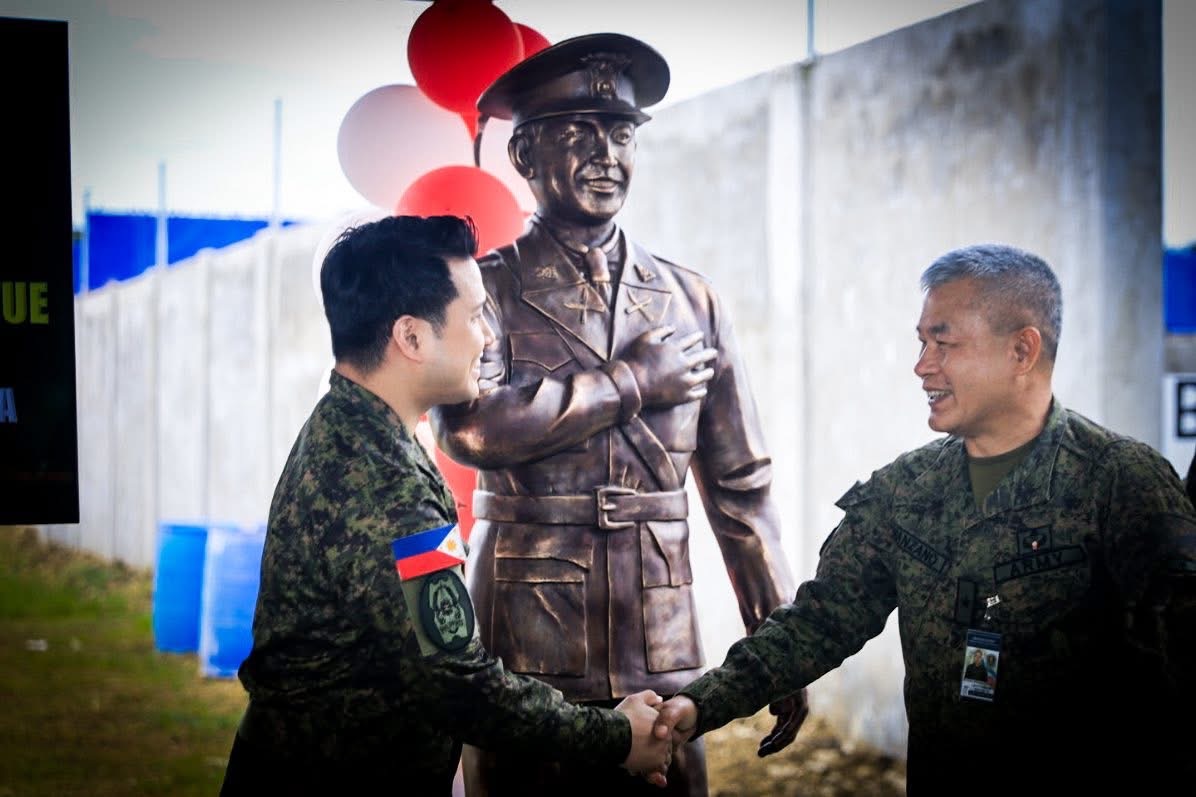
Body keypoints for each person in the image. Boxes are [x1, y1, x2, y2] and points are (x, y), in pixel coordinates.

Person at [653, 244, 1196, 792]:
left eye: (944, 343)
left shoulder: (1120, 485)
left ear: (1022, 350)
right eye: (922, 342)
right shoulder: (906, 491)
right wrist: (697, 706)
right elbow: (820, 620)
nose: (922, 366)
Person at [429, 32, 805, 796]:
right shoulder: (485, 290)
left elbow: (743, 489)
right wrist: (631, 381)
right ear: (525, 155)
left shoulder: (691, 299)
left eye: (622, 134)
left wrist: (782, 642)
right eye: (580, 133)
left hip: (658, 636)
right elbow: (470, 427)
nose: (607, 154)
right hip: (526, 635)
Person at [219, 215, 671, 796]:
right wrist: (616, 736)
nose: (487, 337)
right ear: (411, 338)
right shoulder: (387, 487)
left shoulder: (351, 424)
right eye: (475, 315)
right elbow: (459, 685)